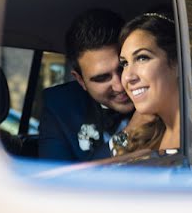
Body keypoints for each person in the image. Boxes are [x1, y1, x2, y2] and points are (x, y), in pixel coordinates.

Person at [37, 8, 136, 161]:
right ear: (80, 80)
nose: (120, 86)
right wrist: (131, 132)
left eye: (123, 67)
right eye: (102, 78)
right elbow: (58, 182)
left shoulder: (163, 95)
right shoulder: (60, 106)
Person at [112, 10, 180, 156]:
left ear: (177, 62)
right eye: (124, 64)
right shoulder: (146, 137)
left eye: (142, 58)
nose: (127, 77)